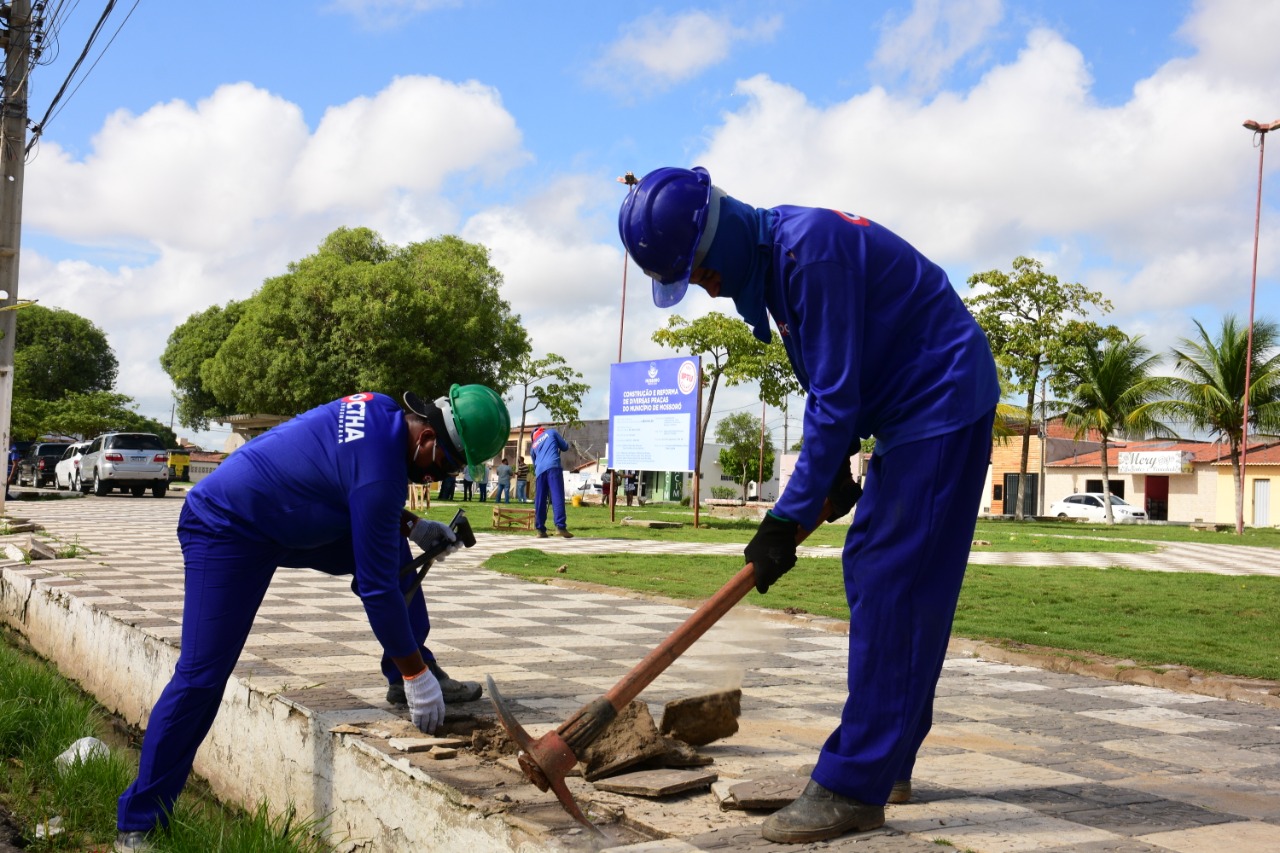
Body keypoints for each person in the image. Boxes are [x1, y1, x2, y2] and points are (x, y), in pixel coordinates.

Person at [619, 166, 998, 844]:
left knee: (890, 576)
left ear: (720, 231)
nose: (705, 286)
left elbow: (832, 400)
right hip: (911, 407)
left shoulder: (808, 252)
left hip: (939, 399)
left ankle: (855, 785)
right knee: (888, 579)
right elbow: (841, 380)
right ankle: (888, 758)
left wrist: (784, 519)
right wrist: (828, 480)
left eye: (700, 270)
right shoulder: (785, 264)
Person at [112, 386, 510, 852]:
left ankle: (403, 674)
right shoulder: (382, 476)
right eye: (444, 467)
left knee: (391, 549)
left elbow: (342, 479)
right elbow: (378, 581)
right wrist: (415, 672)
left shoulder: (378, 408)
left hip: (285, 517)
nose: (436, 477)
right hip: (225, 526)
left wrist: (414, 527)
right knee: (202, 676)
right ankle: (138, 824)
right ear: (426, 443)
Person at [530, 425, 573, 538]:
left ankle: (540, 530)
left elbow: (535, 463)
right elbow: (565, 447)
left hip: (539, 471)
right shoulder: (552, 433)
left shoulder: (533, 445)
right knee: (557, 496)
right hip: (553, 467)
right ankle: (560, 527)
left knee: (540, 500)